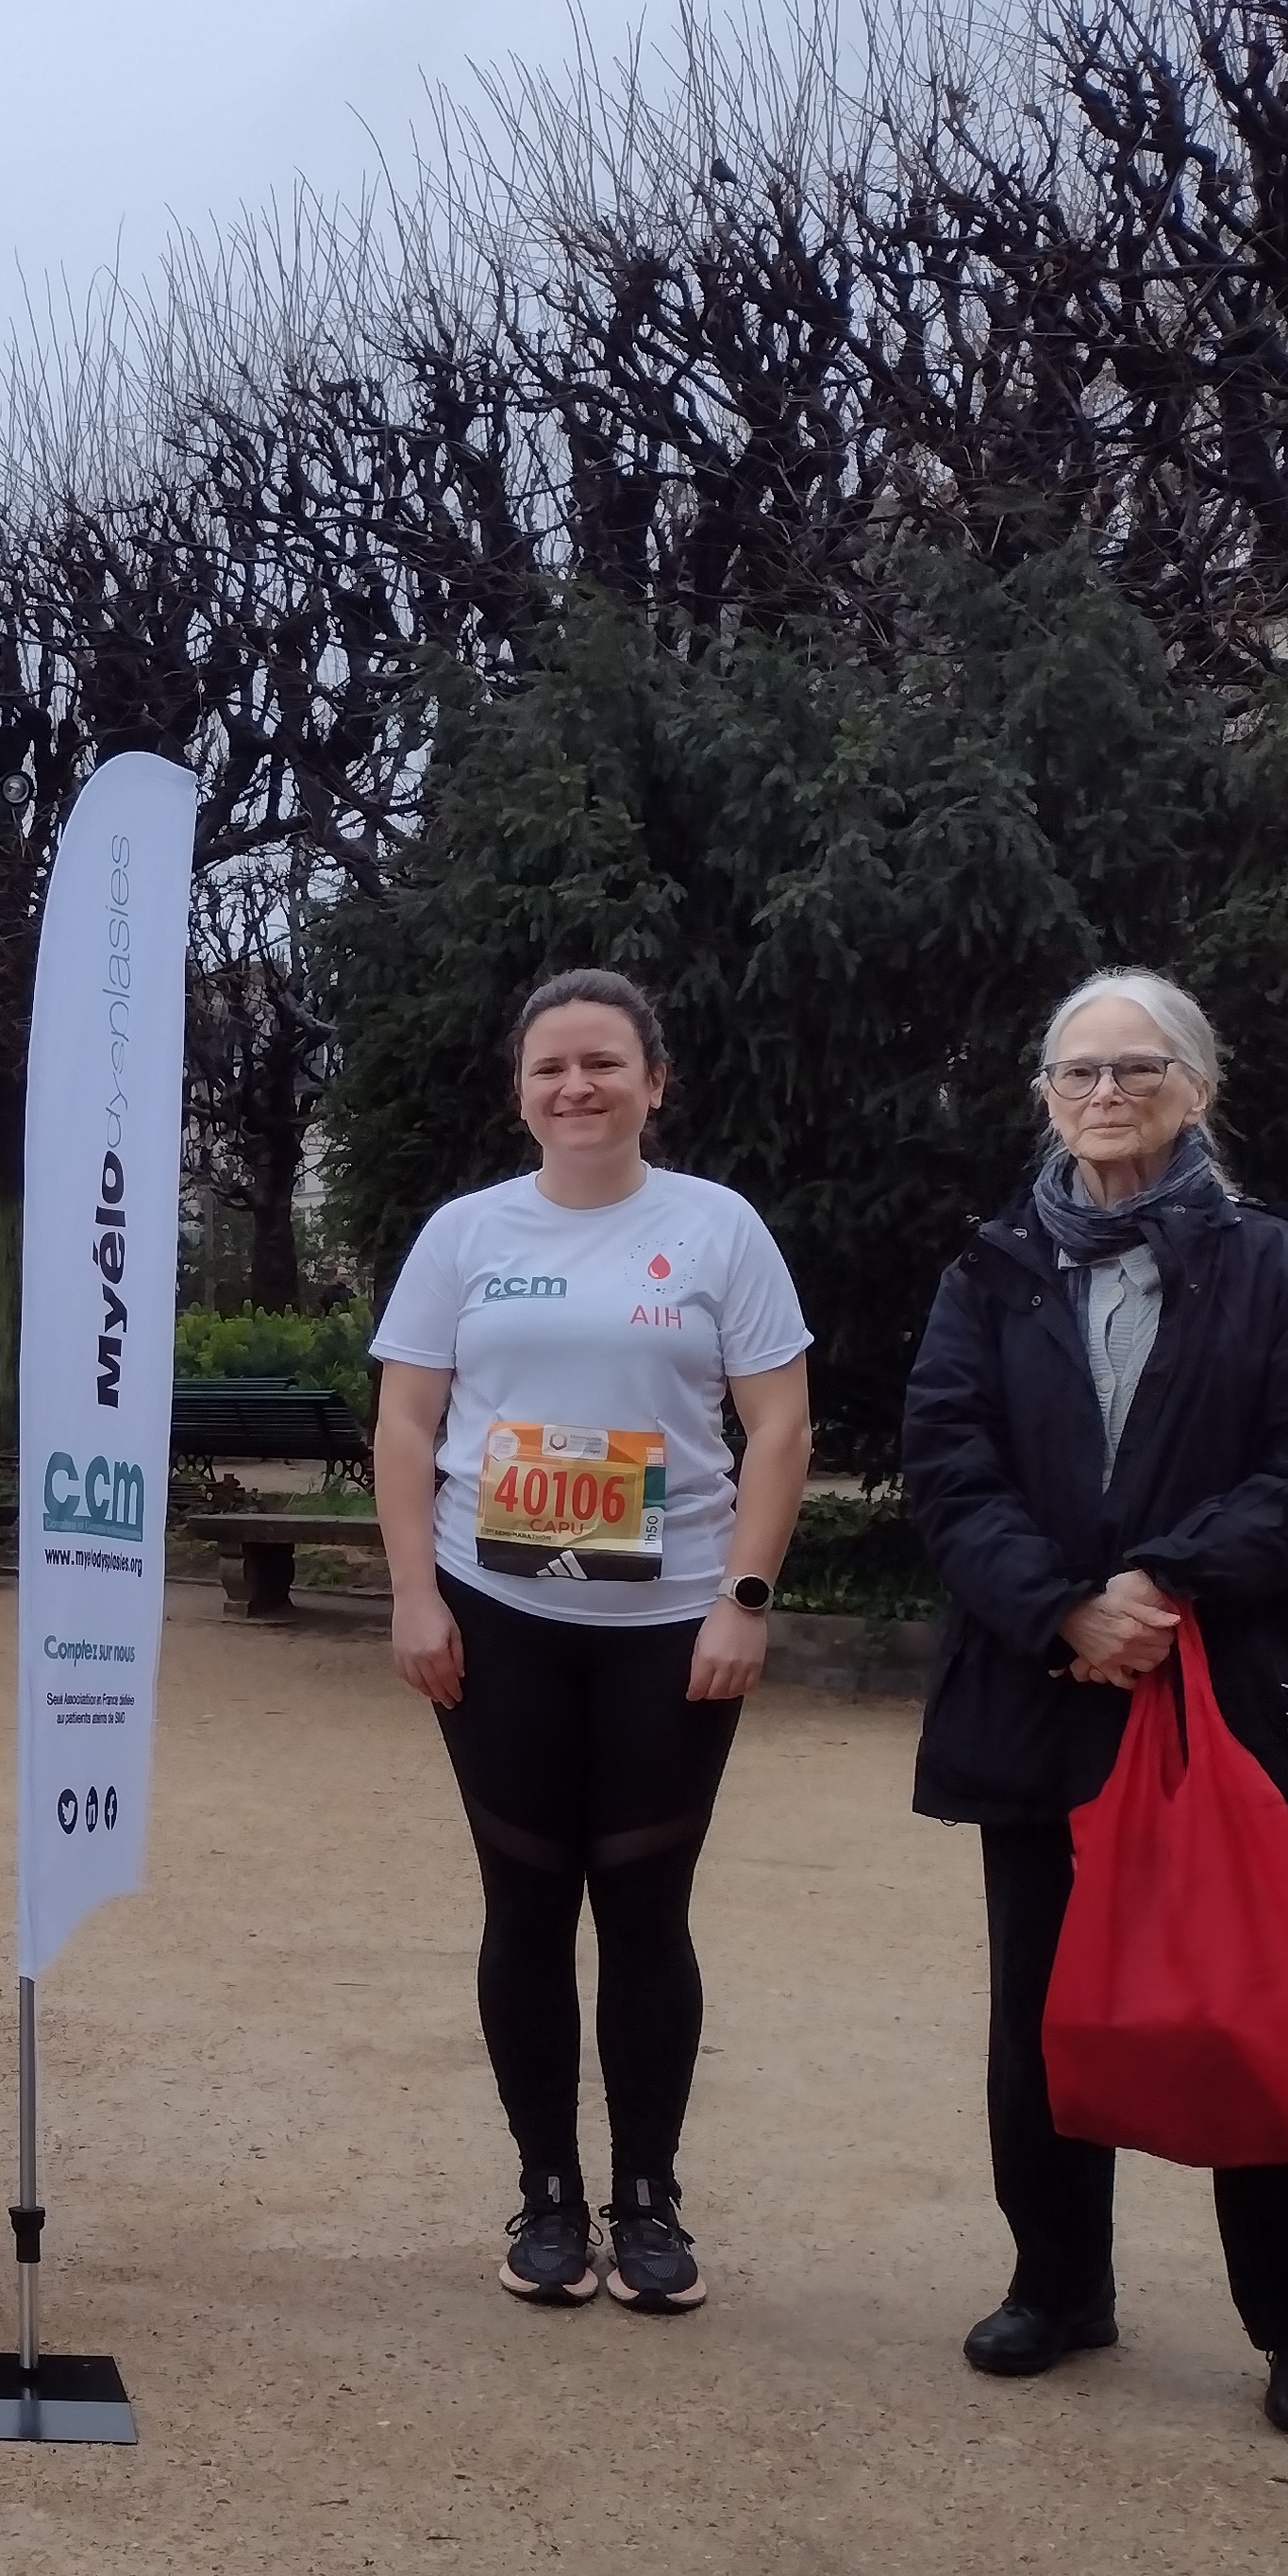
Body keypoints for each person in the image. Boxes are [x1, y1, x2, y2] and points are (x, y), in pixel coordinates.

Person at [902, 970, 1288, 2438]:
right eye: (1077, 1072)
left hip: (1235, 1703)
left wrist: (1159, 1587)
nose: (1104, 1095)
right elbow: (947, 1465)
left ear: (1197, 1088)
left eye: (1136, 1068)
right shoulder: (989, 1272)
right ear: (1043, 1096)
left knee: (1257, 2007)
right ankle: (1059, 2284)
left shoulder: (1283, 1271)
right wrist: (1062, 1605)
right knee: (1044, 2013)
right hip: (1041, 1694)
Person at [370, 968, 813, 2315]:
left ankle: (650, 2201)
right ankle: (548, 2195)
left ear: (653, 1083)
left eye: (605, 1063)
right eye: (552, 1066)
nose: (578, 1086)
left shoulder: (718, 1230)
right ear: (521, 1091)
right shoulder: (463, 1235)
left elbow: (779, 1428)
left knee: (643, 1912)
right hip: (495, 1616)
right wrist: (412, 1595)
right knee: (524, 1905)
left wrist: (744, 1596)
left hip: (670, 1625)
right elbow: (404, 1423)